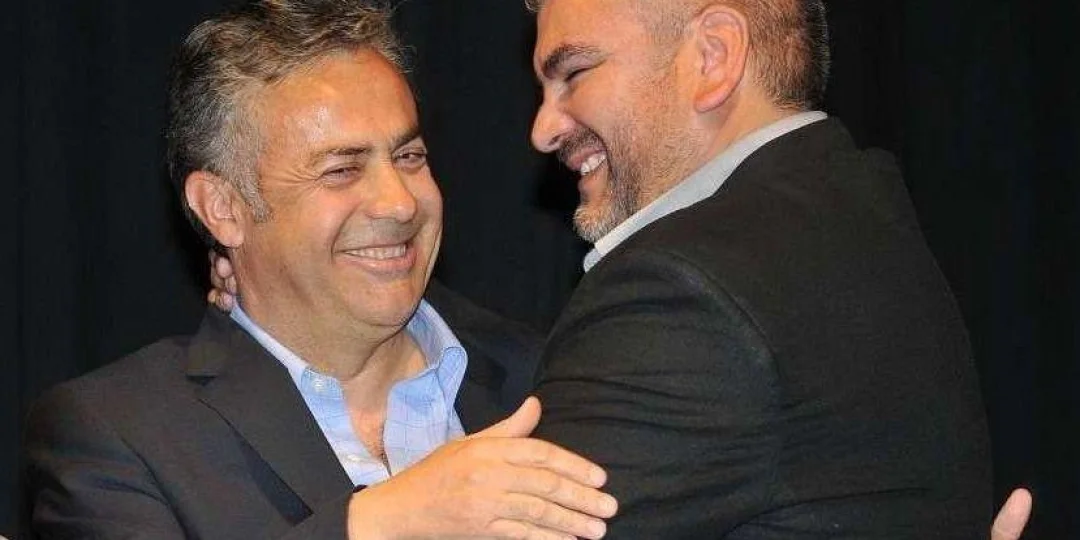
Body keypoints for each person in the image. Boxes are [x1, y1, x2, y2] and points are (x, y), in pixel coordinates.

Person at [20, 2, 617, 539]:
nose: (399, 203)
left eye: (409, 156)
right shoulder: (121, 435)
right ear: (224, 208)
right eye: (342, 170)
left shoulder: (563, 376)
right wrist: (381, 523)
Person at [522, 0, 992, 536]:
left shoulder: (681, 289)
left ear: (714, 56)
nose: (543, 129)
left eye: (575, 73)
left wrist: (429, 509)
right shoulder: (862, 214)